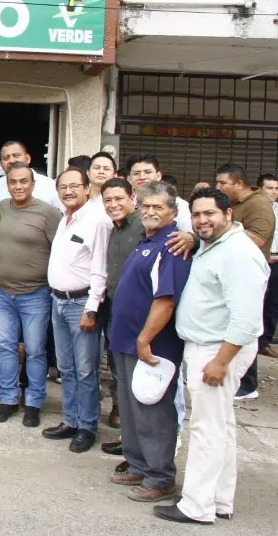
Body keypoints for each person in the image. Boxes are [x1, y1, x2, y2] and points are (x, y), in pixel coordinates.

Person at [154, 188, 270, 525]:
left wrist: (220, 361)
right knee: (222, 426)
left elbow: (247, 320)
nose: (203, 220)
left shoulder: (239, 254)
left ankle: (196, 505)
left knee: (207, 428)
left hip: (218, 350)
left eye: (211, 214)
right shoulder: (214, 245)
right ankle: (218, 499)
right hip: (209, 346)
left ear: (228, 215)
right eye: (198, 214)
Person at [108, 182, 192, 503]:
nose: (151, 211)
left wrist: (145, 339)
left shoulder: (173, 246)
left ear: (173, 210)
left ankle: (160, 477)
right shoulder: (146, 241)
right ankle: (139, 466)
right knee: (131, 409)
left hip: (152, 345)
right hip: (126, 342)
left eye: (159, 206)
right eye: (147, 206)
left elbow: (166, 300)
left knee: (153, 412)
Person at [0, 161, 62, 426]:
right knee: (5, 347)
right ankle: (8, 398)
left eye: (23, 181)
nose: (18, 186)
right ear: (6, 184)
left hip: (36, 293)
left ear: (33, 184)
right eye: (13, 182)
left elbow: (62, 251)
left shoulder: (48, 213)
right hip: (3, 293)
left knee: (35, 350)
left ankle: (33, 402)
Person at [42, 166, 109, 453]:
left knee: (85, 370)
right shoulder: (65, 219)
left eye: (74, 186)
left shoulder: (97, 221)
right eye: (63, 187)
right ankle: (70, 420)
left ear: (86, 188)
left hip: (81, 304)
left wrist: (91, 309)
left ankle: (87, 426)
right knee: (66, 368)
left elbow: (101, 270)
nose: (68, 191)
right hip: (58, 301)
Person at [214, 163, 277, 400]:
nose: (218, 186)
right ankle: (232, 375)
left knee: (244, 327)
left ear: (239, 183)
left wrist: (222, 230)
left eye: (223, 183)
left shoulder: (258, 204)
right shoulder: (236, 203)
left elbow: (258, 239)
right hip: (230, 273)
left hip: (247, 276)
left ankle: (247, 384)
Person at [101, 177, 141, 442]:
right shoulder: (115, 228)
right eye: (108, 200)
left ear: (133, 198)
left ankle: (137, 440)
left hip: (139, 313)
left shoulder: (143, 226)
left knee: (138, 376)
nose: (114, 205)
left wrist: (191, 239)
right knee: (120, 370)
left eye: (119, 199)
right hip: (116, 309)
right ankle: (128, 438)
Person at [125, 154, 191, 233]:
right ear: (129, 179)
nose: (142, 177)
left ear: (158, 176)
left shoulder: (178, 204)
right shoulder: (124, 204)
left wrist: (193, 239)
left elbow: (190, 234)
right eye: (136, 173)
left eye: (148, 172)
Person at [0, 141, 62, 209]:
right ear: (1, 163)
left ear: (28, 158)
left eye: (16, 155)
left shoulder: (49, 185)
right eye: (6, 158)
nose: (11, 160)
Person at [257, 173, 278, 359]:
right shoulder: (256, 210)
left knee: (272, 304)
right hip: (258, 261)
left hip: (276, 264)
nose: (274, 192)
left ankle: (265, 342)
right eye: (269, 188)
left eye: (276, 188)